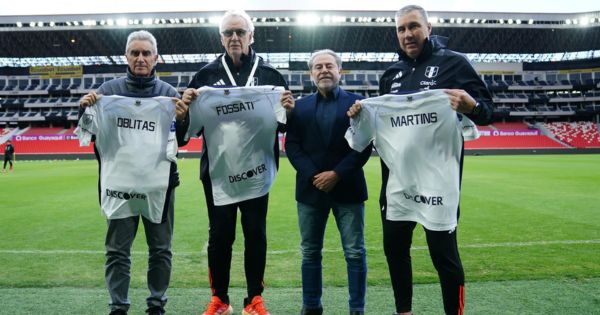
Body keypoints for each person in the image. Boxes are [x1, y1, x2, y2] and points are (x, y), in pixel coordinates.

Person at [347, 5, 493, 315]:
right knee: (395, 251)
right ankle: (404, 312)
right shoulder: (391, 75)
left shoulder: (454, 64)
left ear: (428, 28)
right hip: (397, 183)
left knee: (444, 257)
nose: (407, 34)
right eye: (401, 29)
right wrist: (361, 117)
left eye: (413, 26)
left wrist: (472, 106)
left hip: (438, 183)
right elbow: (376, 126)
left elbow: (490, 111)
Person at [178, 10, 294, 315]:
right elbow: (188, 131)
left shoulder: (271, 76)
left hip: (257, 172)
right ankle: (220, 299)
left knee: (255, 234)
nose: (234, 38)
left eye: (240, 32)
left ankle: (254, 298)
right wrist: (187, 108)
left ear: (251, 36)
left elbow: (284, 126)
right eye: (228, 33)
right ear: (220, 38)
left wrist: (289, 110)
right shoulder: (204, 77)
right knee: (219, 237)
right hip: (218, 173)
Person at [79, 30, 188, 315]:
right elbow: (91, 134)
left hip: (160, 186)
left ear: (156, 58)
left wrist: (182, 118)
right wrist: (85, 110)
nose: (140, 58)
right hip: (119, 186)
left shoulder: (169, 94)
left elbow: (183, 139)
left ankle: (156, 305)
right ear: (126, 56)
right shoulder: (107, 92)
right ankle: (118, 306)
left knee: (161, 250)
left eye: (146, 53)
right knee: (117, 251)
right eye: (135, 53)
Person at [285, 50, 372, 315]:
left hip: (348, 188)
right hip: (310, 191)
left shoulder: (358, 103)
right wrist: (315, 176)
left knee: (355, 252)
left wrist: (336, 174)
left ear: (339, 71)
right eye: (318, 66)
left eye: (329, 66)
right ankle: (312, 305)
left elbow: (363, 146)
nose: (324, 70)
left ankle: (357, 308)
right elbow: (292, 146)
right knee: (310, 252)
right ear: (311, 74)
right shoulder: (298, 107)